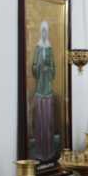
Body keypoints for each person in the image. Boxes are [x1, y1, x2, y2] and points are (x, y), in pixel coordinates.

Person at [32, 21, 57, 161]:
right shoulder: (37, 48)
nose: (44, 33)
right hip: (39, 87)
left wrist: (48, 69)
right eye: (42, 31)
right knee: (40, 121)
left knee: (47, 121)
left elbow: (54, 68)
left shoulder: (50, 49)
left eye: (45, 31)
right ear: (40, 32)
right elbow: (33, 67)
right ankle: (40, 151)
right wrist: (38, 67)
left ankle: (48, 151)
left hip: (47, 87)